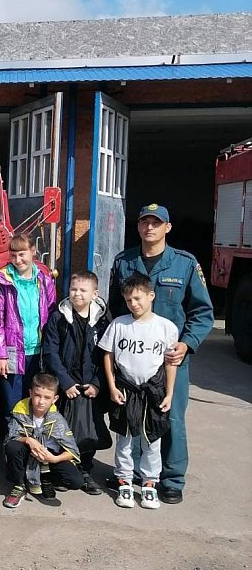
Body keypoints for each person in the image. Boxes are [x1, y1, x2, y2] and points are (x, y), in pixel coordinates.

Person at [107, 203, 214, 504]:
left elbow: (202, 312)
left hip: (170, 360)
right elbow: (116, 308)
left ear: (167, 228)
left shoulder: (184, 264)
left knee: (172, 418)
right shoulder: (124, 261)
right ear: (138, 226)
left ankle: (171, 478)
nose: (149, 227)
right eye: (144, 222)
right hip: (133, 359)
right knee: (132, 417)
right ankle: (137, 475)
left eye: (157, 222)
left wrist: (187, 343)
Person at [99, 273, 178, 510]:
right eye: (129, 300)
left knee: (151, 440)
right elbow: (108, 354)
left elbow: (170, 363)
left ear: (151, 296)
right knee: (124, 438)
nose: (134, 304)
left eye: (138, 298)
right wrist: (112, 387)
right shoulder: (119, 324)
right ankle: (123, 480)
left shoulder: (166, 328)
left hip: (152, 391)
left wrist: (169, 393)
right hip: (126, 389)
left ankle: (149, 484)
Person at [41, 269, 110, 494]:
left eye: (83, 290)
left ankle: (85, 470)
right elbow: (50, 351)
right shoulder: (58, 317)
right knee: (62, 431)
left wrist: (97, 384)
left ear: (94, 293)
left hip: (90, 387)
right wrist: (65, 381)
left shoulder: (103, 320)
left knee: (89, 432)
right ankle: (61, 470)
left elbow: (108, 356)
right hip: (66, 385)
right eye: (73, 289)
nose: (77, 294)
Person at [0, 234, 57, 415]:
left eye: (22, 254)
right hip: (12, 352)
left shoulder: (45, 279)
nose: (18, 260)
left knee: (36, 404)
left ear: (33, 252)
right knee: (13, 406)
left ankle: (33, 441)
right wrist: (1, 355)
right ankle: (14, 441)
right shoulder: (1, 281)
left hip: (37, 352)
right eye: (13, 255)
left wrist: (50, 350)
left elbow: (51, 315)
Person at [2, 372, 84, 509]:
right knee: (12, 446)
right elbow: (9, 438)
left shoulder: (57, 419)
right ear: (31, 393)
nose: (41, 401)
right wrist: (28, 440)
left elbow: (72, 451)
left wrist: (54, 459)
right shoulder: (20, 411)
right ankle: (19, 484)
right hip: (27, 453)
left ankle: (46, 479)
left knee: (75, 481)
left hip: (49, 457)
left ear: (54, 399)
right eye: (37, 395)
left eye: (47, 397)